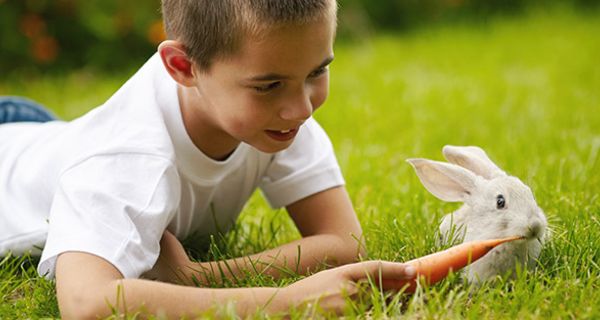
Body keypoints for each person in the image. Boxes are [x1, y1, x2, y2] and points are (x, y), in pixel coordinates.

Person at [0, 0, 416, 318]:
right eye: (269, 85)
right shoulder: (127, 157)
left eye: (316, 72)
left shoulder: (277, 112)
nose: (303, 109)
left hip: (41, 135)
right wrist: (284, 300)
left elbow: (346, 242)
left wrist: (200, 277)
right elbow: (87, 303)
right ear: (183, 66)